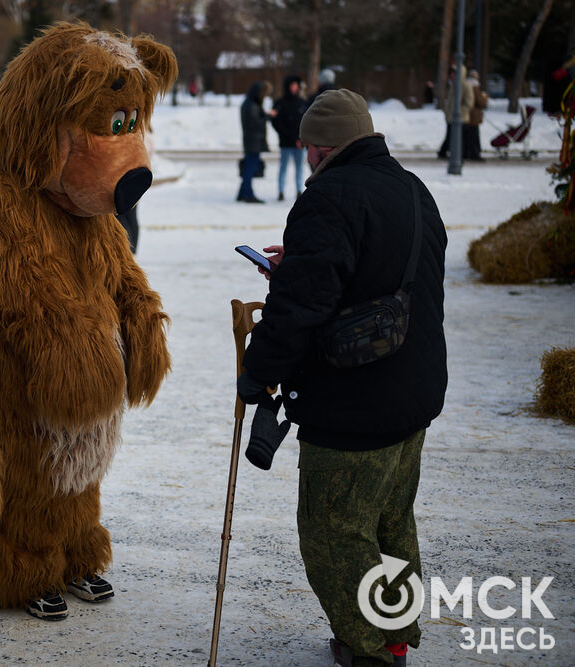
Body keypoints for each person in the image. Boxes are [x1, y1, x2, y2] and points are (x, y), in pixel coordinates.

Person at [237, 89, 448, 667]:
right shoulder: (410, 187)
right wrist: (301, 261)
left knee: (335, 532)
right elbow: (378, 272)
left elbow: (301, 307)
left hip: (355, 404)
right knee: (388, 520)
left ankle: (370, 651)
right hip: (413, 394)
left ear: (322, 147)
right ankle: (395, 634)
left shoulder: (328, 197)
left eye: (307, 147)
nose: (306, 158)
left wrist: (259, 375)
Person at [237, 81, 275, 203]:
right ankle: (248, 194)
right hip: (253, 142)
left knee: (249, 167)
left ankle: (242, 193)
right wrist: (268, 116)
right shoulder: (251, 105)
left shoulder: (250, 103)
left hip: (252, 141)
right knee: (250, 169)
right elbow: (256, 122)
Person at [272, 74, 306, 201]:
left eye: (296, 85)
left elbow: (305, 122)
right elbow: (276, 122)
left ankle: (299, 189)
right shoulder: (280, 103)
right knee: (283, 168)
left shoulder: (302, 103)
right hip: (285, 143)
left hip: (299, 143)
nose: (295, 87)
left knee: (299, 168)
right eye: (292, 85)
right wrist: (288, 136)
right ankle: (280, 191)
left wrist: (301, 139)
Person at [437, 65, 474, 159]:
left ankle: (458, 156)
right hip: (451, 118)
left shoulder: (466, 85)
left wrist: (459, 113)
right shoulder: (453, 85)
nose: (451, 75)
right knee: (450, 137)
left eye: (454, 73)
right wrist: (447, 112)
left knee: (459, 139)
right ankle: (446, 153)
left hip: (460, 118)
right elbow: (449, 102)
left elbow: (469, 103)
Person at [464, 69, 488, 161]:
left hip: (466, 116)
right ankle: (475, 154)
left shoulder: (465, 85)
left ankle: (466, 153)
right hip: (474, 116)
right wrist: (485, 98)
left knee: (467, 137)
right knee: (474, 137)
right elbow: (481, 102)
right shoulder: (475, 87)